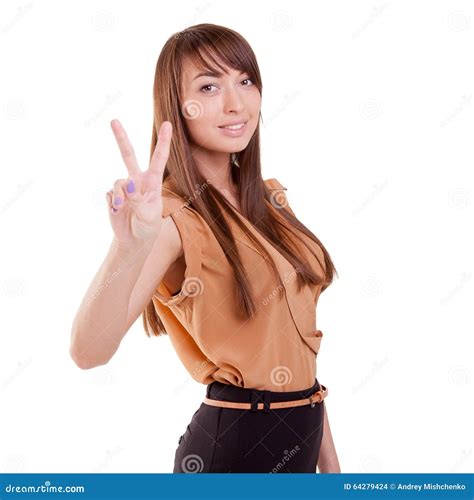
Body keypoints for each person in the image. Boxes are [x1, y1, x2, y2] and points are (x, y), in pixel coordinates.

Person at [70, 23, 340, 474]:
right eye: (209, 86)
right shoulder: (173, 219)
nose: (236, 103)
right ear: (176, 106)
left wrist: (330, 470)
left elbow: (299, 355)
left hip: (302, 439)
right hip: (234, 451)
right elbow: (87, 353)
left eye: (246, 80)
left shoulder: (269, 204)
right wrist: (129, 247)